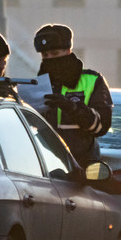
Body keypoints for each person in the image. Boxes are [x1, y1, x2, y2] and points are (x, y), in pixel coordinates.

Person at [34, 24, 112, 167]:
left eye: (55, 53)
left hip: (84, 166)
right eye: (45, 55)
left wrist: (72, 108)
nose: (49, 58)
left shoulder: (92, 80)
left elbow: (101, 127)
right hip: (46, 166)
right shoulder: (38, 84)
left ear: (68, 50)